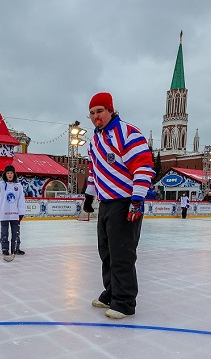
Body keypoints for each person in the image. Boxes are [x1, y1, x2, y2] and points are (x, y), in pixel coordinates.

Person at [83, 92, 155, 319]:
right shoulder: (95, 141)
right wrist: (89, 196)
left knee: (122, 254)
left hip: (125, 202)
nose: (96, 116)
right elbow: (94, 172)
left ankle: (124, 301)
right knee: (106, 253)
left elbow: (143, 167)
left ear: (110, 110)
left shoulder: (128, 133)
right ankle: (112, 291)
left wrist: (137, 200)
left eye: (100, 111)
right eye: (92, 112)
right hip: (105, 203)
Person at [0, 165, 26, 261]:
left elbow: (21, 200)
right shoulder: (0, 185)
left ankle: (15, 248)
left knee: (16, 233)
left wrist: (21, 212)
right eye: (8, 173)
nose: (10, 175)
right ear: (5, 174)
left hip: (15, 214)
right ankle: (5, 249)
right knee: (4, 232)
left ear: (14, 174)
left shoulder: (18, 186)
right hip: (4, 213)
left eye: (11, 173)